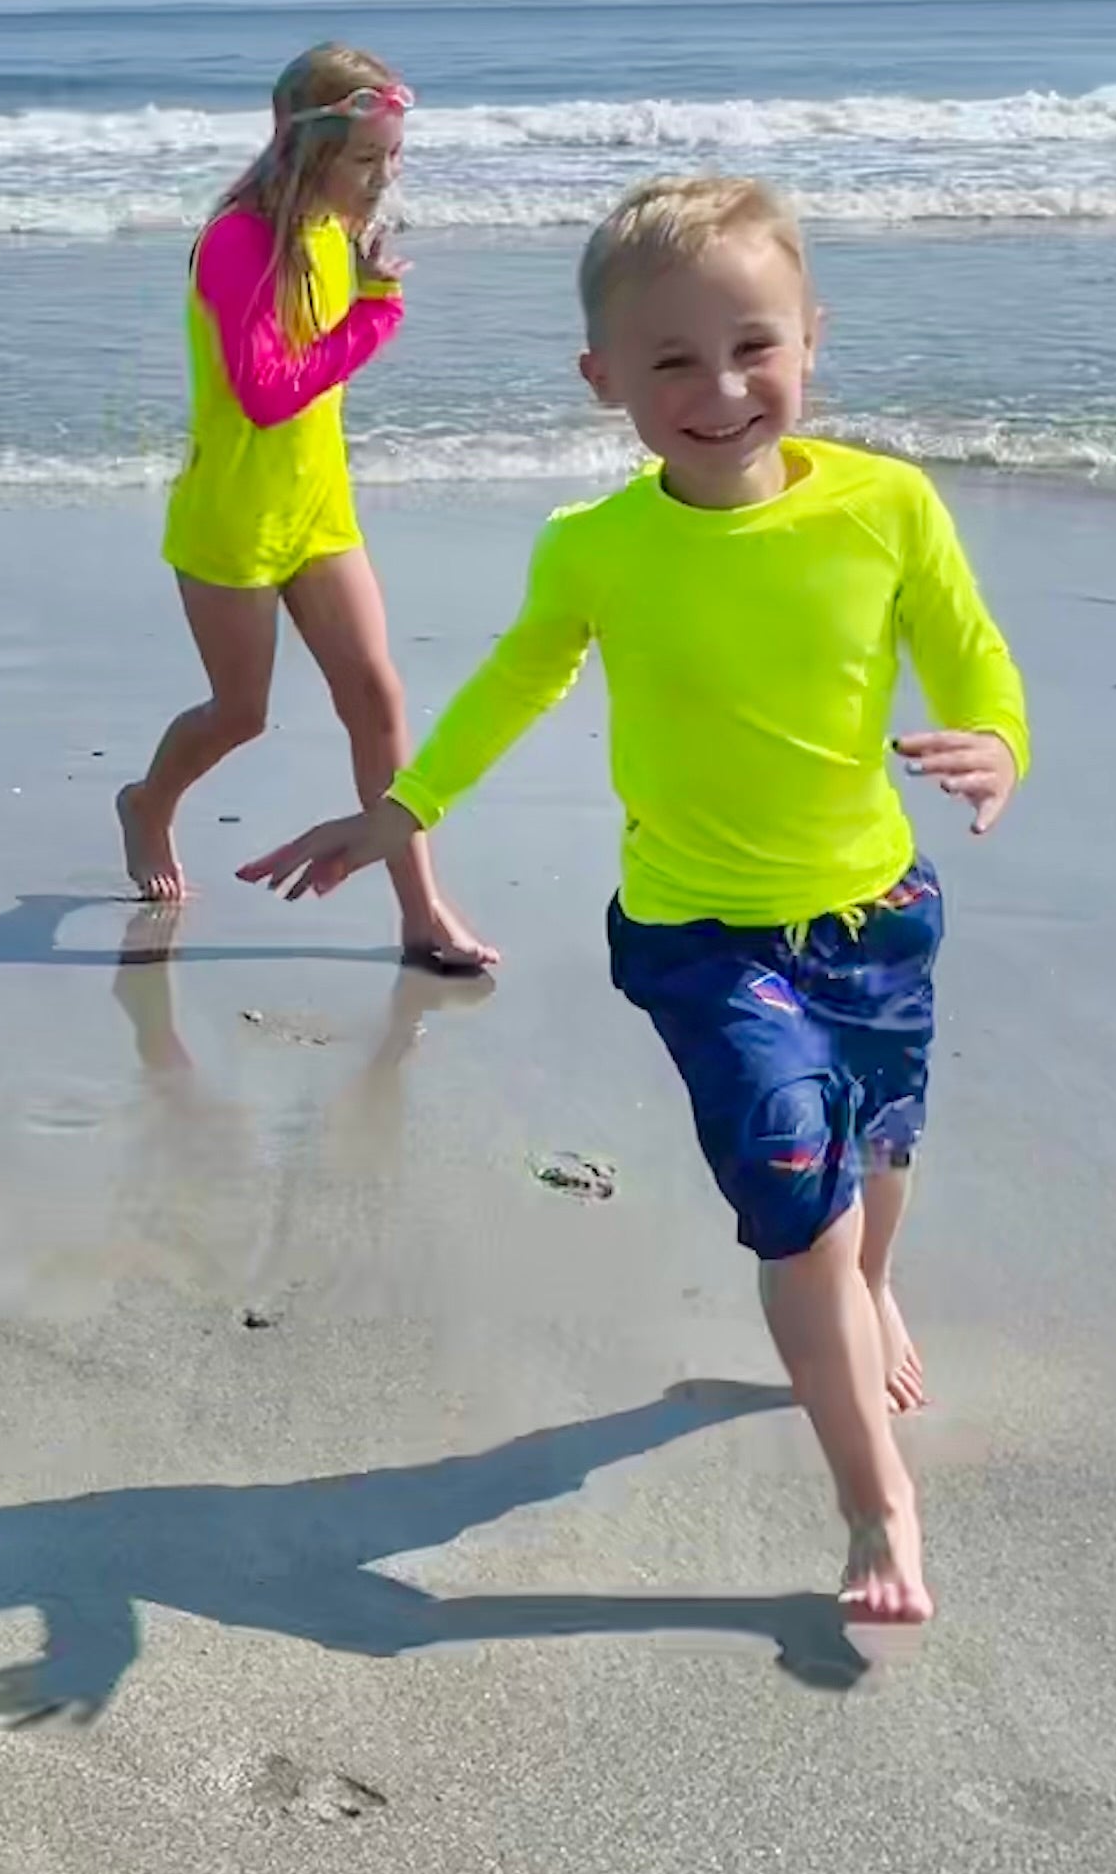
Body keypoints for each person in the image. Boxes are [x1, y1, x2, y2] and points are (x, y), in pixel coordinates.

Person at [234, 175, 1028, 1628]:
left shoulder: (889, 506)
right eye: (670, 361)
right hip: (701, 940)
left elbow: (969, 654)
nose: (719, 390)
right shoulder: (595, 548)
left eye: (752, 348)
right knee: (799, 1196)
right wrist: (398, 813)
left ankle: (874, 1289)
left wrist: (998, 742)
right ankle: (875, 1501)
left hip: (877, 913)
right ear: (604, 379)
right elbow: (513, 685)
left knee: (881, 1152)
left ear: (810, 339)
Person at [116, 44, 493, 975]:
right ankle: (147, 804)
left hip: (320, 507)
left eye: (392, 158)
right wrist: (372, 318)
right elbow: (266, 394)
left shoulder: (335, 232)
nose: (383, 179)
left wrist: (365, 289)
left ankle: (421, 910)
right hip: (232, 518)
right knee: (241, 714)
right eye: (365, 159)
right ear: (303, 149)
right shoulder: (239, 241)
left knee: (377, 698)